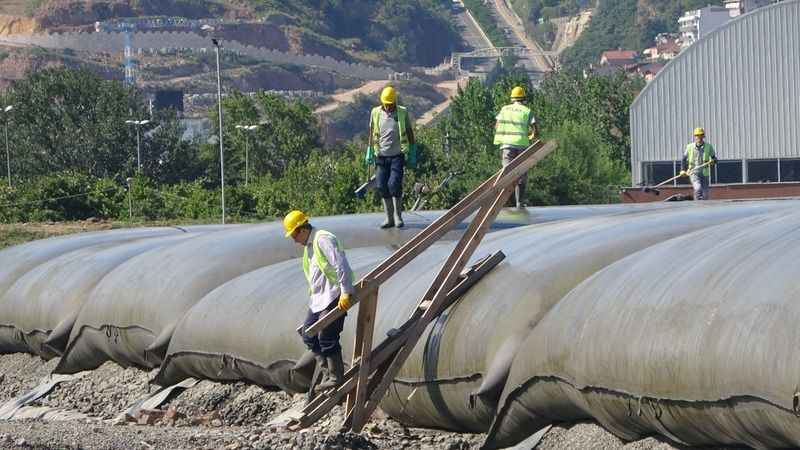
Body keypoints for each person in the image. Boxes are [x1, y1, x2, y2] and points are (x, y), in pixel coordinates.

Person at [283, 210, 354, 391]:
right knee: (308, 335)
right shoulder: (309, 246)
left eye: (293, 235)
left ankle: (336, 376)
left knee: (327, 336)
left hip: (334, 295)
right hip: (319, 299)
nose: (293, 240)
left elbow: (340, 263)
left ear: (302, 229)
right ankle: (326, 372)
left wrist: (345, 291)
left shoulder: (322, 239)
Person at [365, 86, 417, 229]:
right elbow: (371, 132)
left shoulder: (402, 112)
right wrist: (369, 151)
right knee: (382, 185)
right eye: (386, 104)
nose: (388, 107)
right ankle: (389, 219)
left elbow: (409, 132)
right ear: (382, 102)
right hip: (381, 156)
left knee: (394, 184)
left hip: (397, 156)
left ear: (394, 102)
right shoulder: (375, 113)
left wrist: (412, 152)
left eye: (390, 104)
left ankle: (398, 216)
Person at [493, 86, 538, 208]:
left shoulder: (504, 109)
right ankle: (519, 202)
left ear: (512, 98)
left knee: (506, 173)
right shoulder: (527, 111)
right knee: (521, 174)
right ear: (523, 98)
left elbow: (497, 126)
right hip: (522, 146)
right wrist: (531, 136)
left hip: (507, 145)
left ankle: (503, 202)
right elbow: (535, 129)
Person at [680, 127, 718, 200]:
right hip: (693, 172)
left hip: (704, 173)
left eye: (701, 135)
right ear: (695, 136)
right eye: (697, 135)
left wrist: (713, 161)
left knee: (705, 194)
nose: (699, 137)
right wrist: (682, 170)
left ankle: (704, 209)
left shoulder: (708, 146)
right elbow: (684, 159)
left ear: (703, 136)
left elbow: (715, 159)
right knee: (698, 188)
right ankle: (697, 204)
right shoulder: (689, 147)